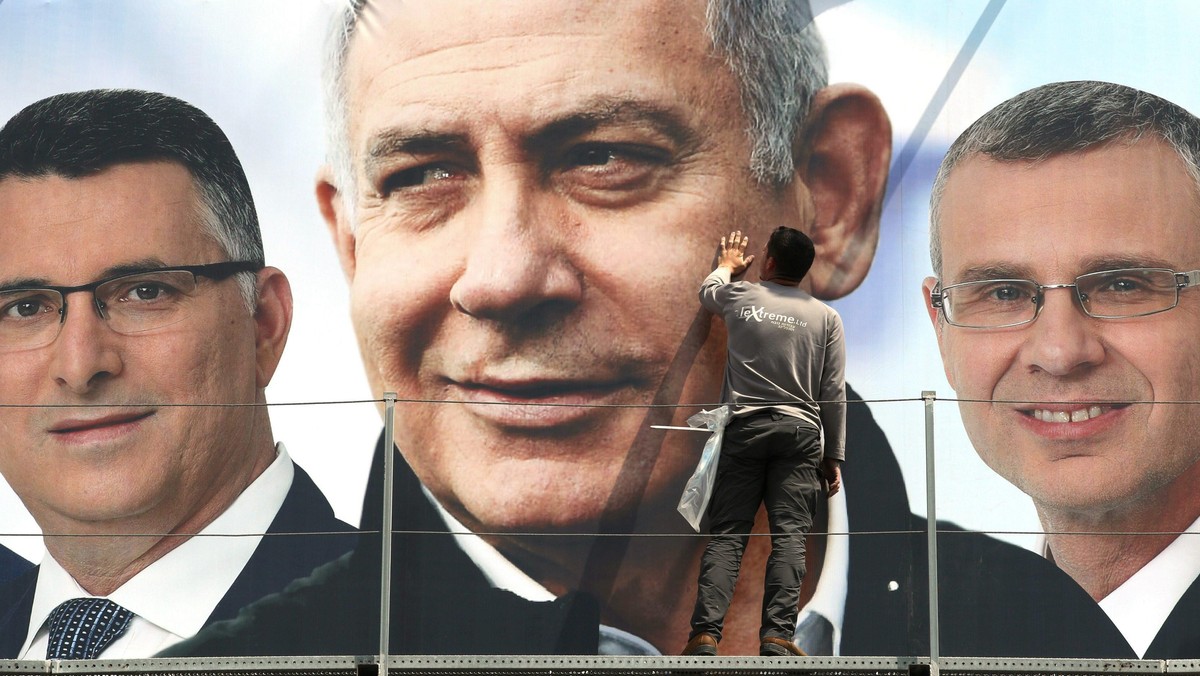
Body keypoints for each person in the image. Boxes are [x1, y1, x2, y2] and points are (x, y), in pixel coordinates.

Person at [171, 0, 1119, 660]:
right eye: (421, 177)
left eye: (606, 158)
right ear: (349, 240)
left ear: (828, 202)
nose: (501, 276)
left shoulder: (1049, 641)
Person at [0, 89, 355, 659]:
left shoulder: (444, 636)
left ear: (263, 323)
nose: (81, 365)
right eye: (24, 307)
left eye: (145, 293)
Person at [924, 80, 1200, 659]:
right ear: (941, 330)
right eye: (1002, 293)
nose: (1059, 352)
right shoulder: (937, 639)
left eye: (1123, 285)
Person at [682, 227, 844, 657]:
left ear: (769, 261)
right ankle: (776, 636)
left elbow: (708, 292)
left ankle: (704, 636)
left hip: (746, 430)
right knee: (790, 537)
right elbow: (833, 392)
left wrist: (727, 266)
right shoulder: (825, 318)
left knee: (728, 536)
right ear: (805, 270)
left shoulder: (743, 298)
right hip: (800, 435)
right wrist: (833, 457)